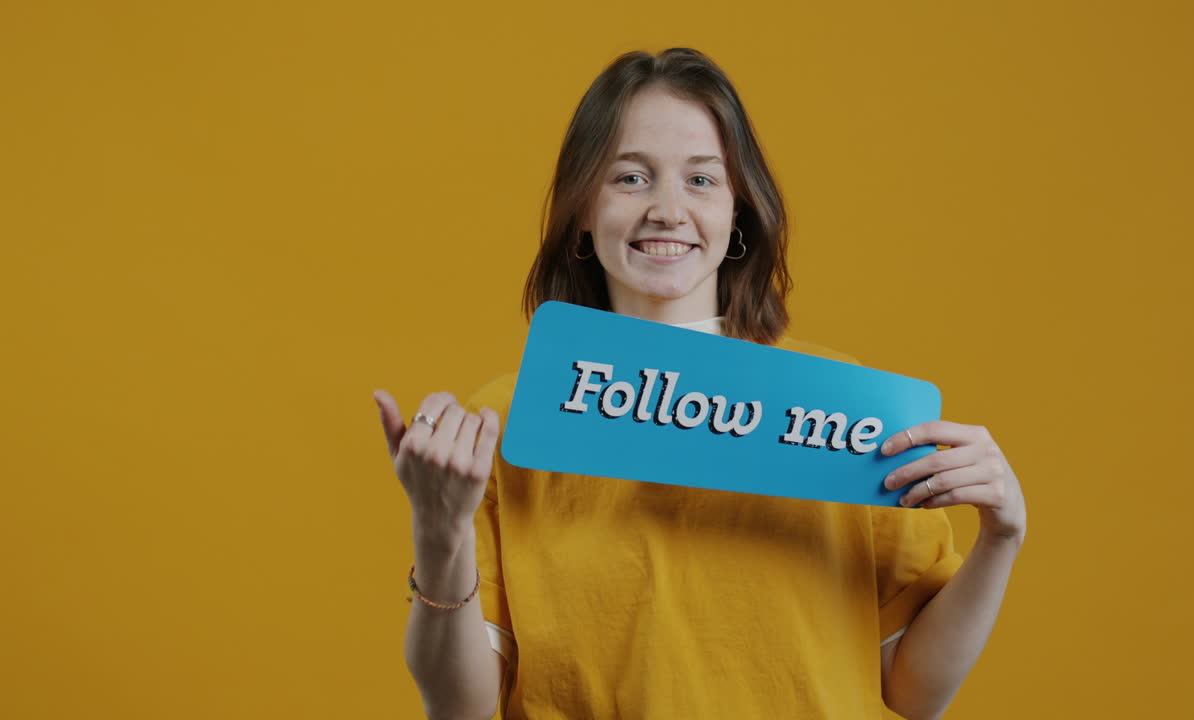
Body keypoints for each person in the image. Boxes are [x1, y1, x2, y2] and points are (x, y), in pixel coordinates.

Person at [373, 47, 1027, 720]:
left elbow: (915, 693)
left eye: (702, 181)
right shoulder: (509, 422)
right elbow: (460, 709)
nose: (667, 209)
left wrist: (1000, 538)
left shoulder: (846, 414)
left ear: (738, 212)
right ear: (582, 211)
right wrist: (439, 532)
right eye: (630, 178)